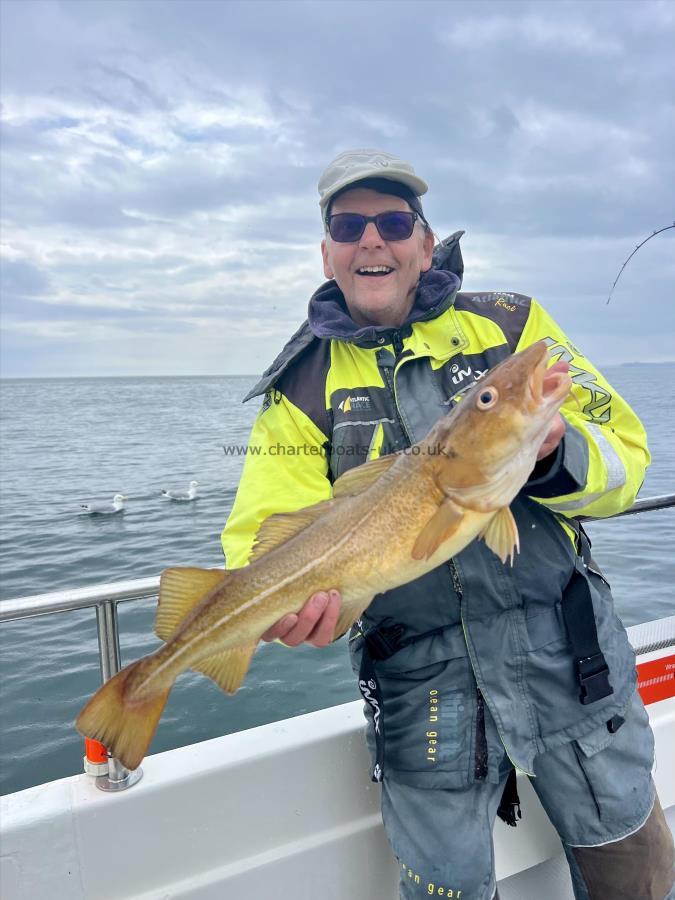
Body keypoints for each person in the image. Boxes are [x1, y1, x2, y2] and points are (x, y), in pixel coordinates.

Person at [221, 149, 675, 900]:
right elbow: (262, 532)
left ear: (425, 245)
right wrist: (299, 611)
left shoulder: (514, 329)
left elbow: (626, 461)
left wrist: (556, 455)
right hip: (418, 685)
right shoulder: (297, 387)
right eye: (349, 225)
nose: (373, 240)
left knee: (632, 862)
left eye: (394, 222)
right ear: (327, 253)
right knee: (446, 889)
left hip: (573, 662)